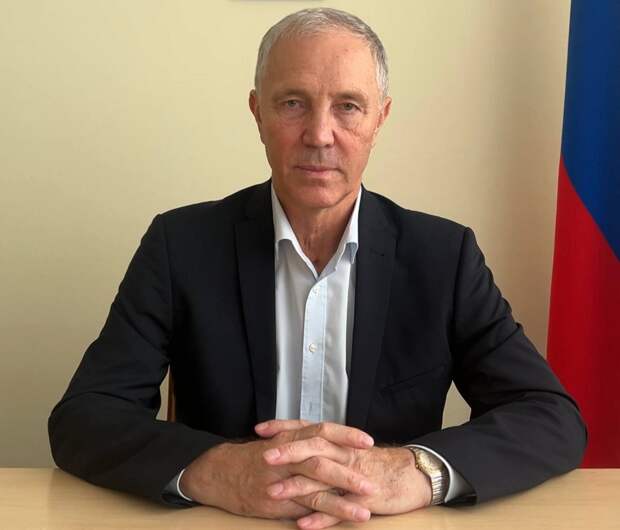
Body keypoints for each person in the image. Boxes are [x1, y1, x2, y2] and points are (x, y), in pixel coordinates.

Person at [48, 7, 586, 530]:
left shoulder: (443, 257)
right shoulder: (180, 245)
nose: (320, 134)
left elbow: (551, 417)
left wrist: (413, 471)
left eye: (348, 106)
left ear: (380, 118)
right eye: (293, 104)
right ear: (257, 113)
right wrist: (220, 470)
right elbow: (85, 417)